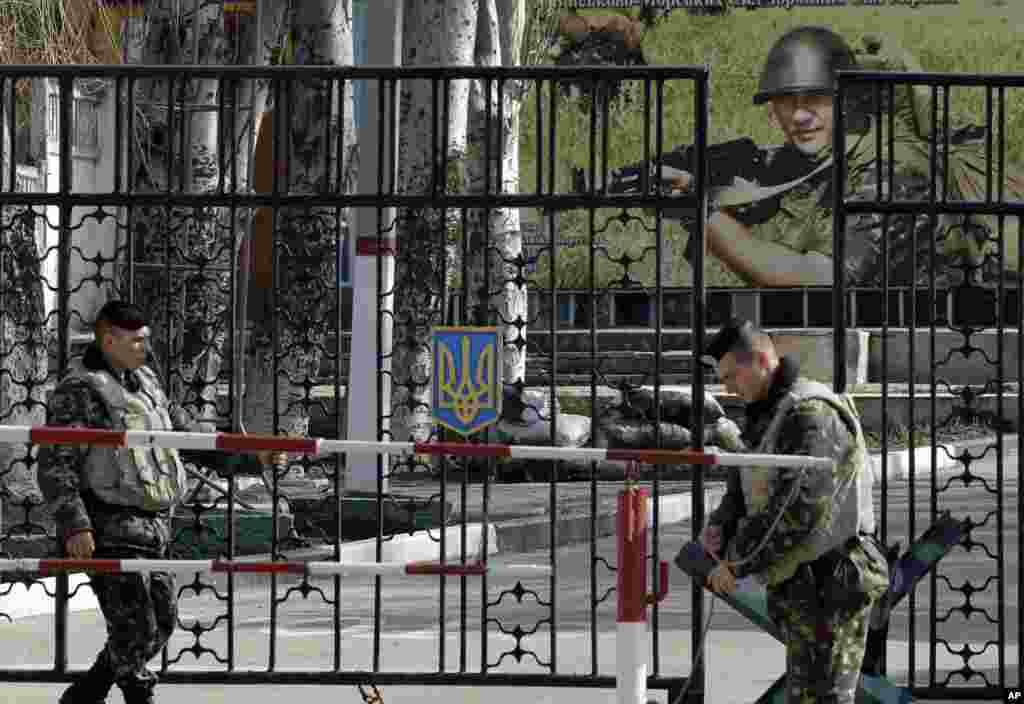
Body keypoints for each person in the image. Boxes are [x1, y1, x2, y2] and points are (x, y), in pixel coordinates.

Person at [584, 25, 1020, 289]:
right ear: (771, 111)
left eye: (816, 99)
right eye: (786, 101)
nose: (801, 115)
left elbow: (812, 276)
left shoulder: (890, 168)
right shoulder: (809, 161)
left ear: (846, 101)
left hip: (968, 318)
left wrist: (703, 210)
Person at [38, 301, 285, 704]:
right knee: (135, 626)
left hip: (154, 528)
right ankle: (138, 697)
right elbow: (56, 462)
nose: (144, 349)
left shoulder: (147, 385)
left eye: (145, 340)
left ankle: (84, 696)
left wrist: (252, 457)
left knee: (162, 624)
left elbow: (188, 440)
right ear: (108, 339)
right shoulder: (79, 392)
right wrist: (75, 525)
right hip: (108, 527)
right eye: (135, 341)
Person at [698, 317, 889, 704]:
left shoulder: (810, 415)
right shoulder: (769, 413)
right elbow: (748, 478)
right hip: (806, 585)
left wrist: (735, 562)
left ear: (761, 361)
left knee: (826, 697)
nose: (728, 389)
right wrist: (722, 523)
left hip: (833, 579)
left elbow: (798, 510)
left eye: (732, 375)